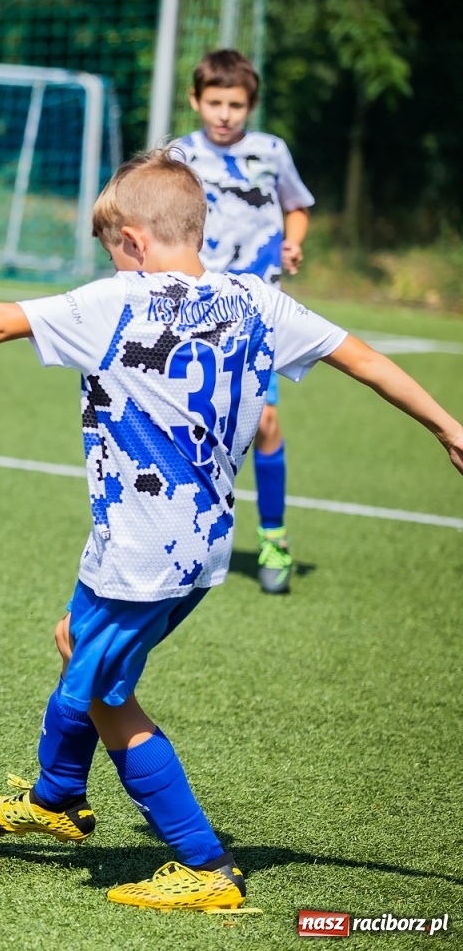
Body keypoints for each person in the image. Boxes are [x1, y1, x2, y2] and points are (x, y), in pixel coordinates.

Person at [0, 148, 463, 909]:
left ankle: (205, 866)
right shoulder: (259, 302)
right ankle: (58, 799)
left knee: (107, 695)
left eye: (110, 249)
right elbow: (362, 357)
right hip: (191, 537)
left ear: (131, 238)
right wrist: (446, 425)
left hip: (144, 547)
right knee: (75, 641)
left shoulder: (120, 301)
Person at [176, 49, 315, 592]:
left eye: (236, 104)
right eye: (215, 102)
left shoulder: (271, 152)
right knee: (192, 424)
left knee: (265, 424)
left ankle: (274, 542)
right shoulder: (178, 155)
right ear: (196, 101)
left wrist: (294, 243)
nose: (225, 114)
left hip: (257, 310)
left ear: (251, 105)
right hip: (190, 306)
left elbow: (296, 206)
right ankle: (188, 539)